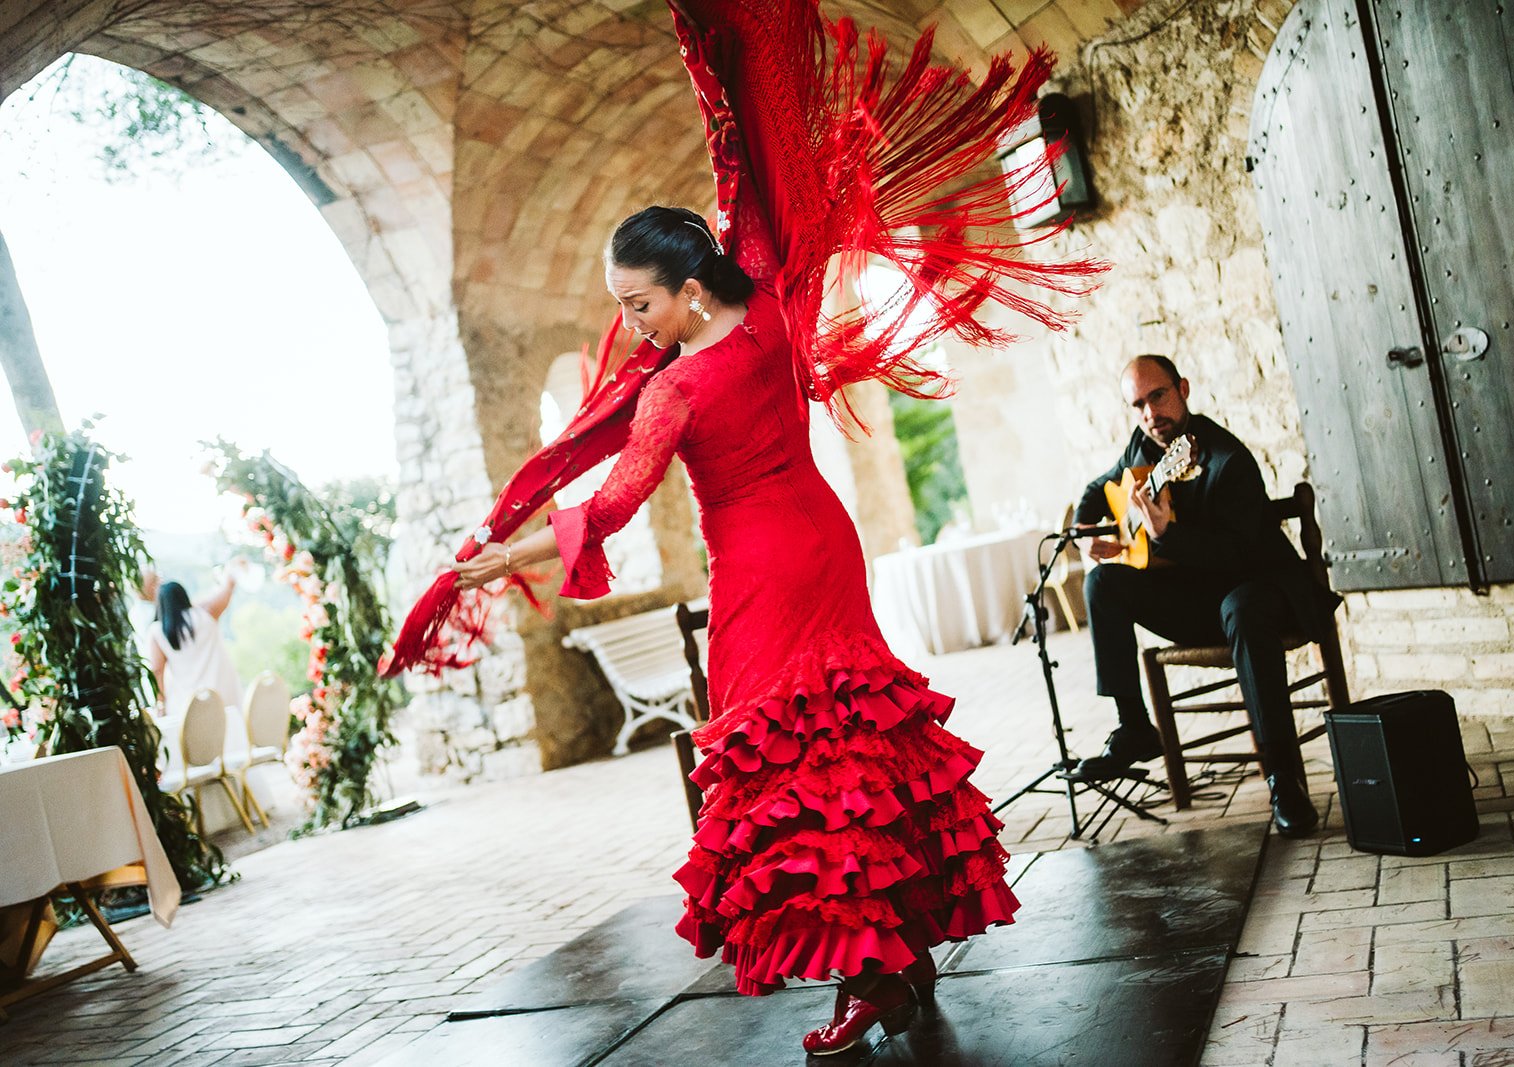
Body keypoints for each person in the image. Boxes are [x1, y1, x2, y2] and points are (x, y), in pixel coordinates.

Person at [389, 0, 1105, 1054]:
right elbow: (769, 183)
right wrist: (729, 75)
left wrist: (511, 550)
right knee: (856, 738)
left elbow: (611, 505)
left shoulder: (672, 395)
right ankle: (898, 954)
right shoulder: (771, 310)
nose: (628, 325)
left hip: (763, 571)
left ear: (685, 291)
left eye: (637, 306)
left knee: (795, 767)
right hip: (823, 536)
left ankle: (872, 977)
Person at [1071, 355, 1340, 838]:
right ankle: (1134, 726)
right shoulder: (1140, 447)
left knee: (1242, 607)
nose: (1150, 412)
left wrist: (1167, 534)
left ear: (1183, 389)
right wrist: (1085, 529)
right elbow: (1098, 489)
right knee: (1102, 582)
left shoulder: (1228, 460)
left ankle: (1284, 778)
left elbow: (1242, 553)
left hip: (1259, 590)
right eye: (1138, 404)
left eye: (1158, 396)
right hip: (1196, 604)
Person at [147, 572, 243, 717]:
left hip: (185, 706)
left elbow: (157, 671)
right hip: (223, 697)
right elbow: (226, 590)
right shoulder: (207, 615)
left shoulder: (157, 632)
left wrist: (160, 704)